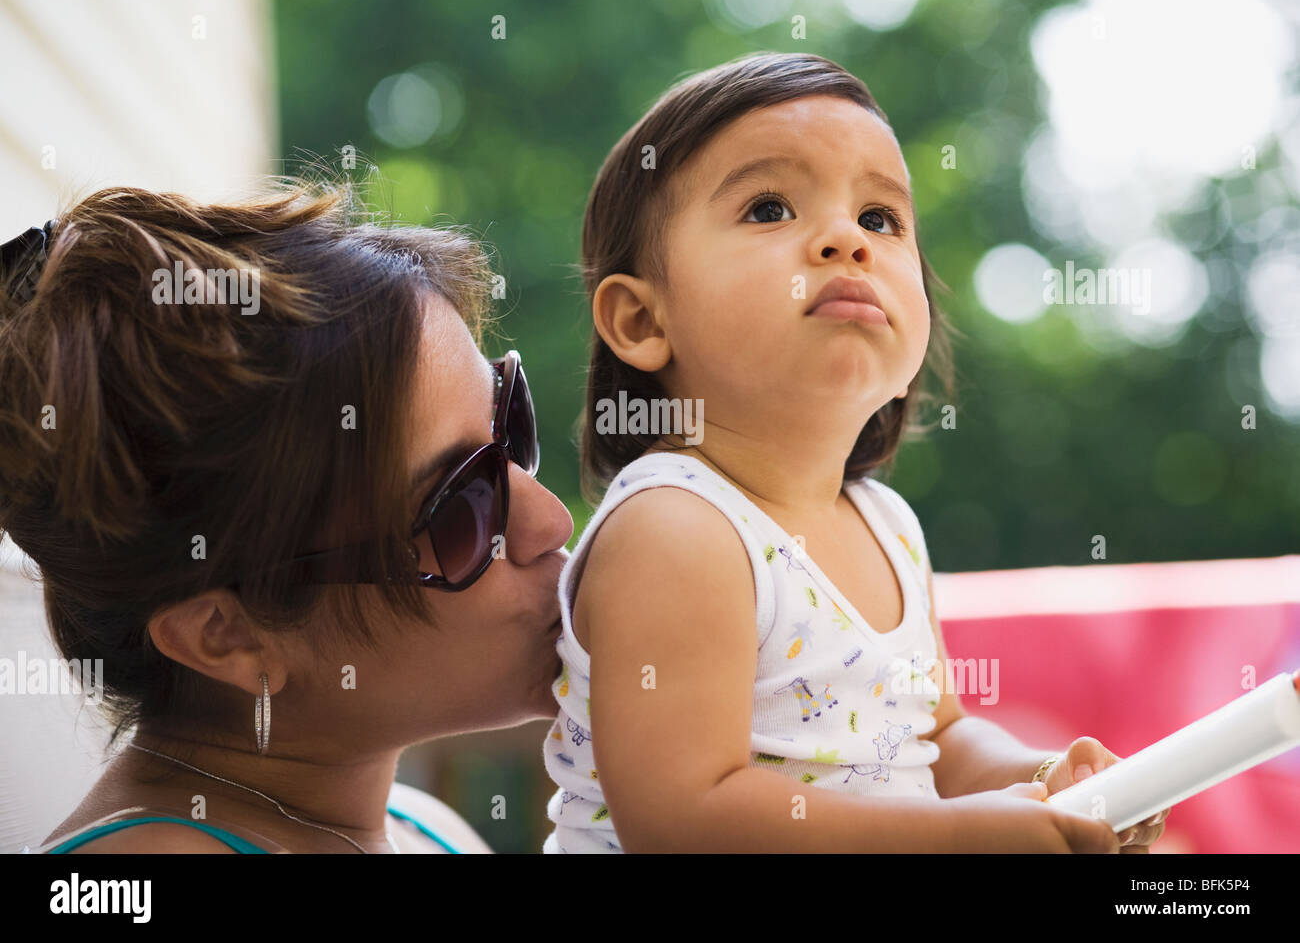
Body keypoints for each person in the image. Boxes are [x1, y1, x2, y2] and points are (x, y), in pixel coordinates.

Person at [541, 52, 1170, 853]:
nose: (846, 239)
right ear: (640, 321)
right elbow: (684, 820)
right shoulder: (676, 529)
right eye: (770, 208)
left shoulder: (888, 524)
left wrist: (1046, 783)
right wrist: (955, 840)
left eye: (880, 219)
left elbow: (940, 741)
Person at [0, 180, 573, 852]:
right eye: (461, 508)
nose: (552, 522)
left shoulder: (420, 827)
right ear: (225, 634)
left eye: (512, 428)